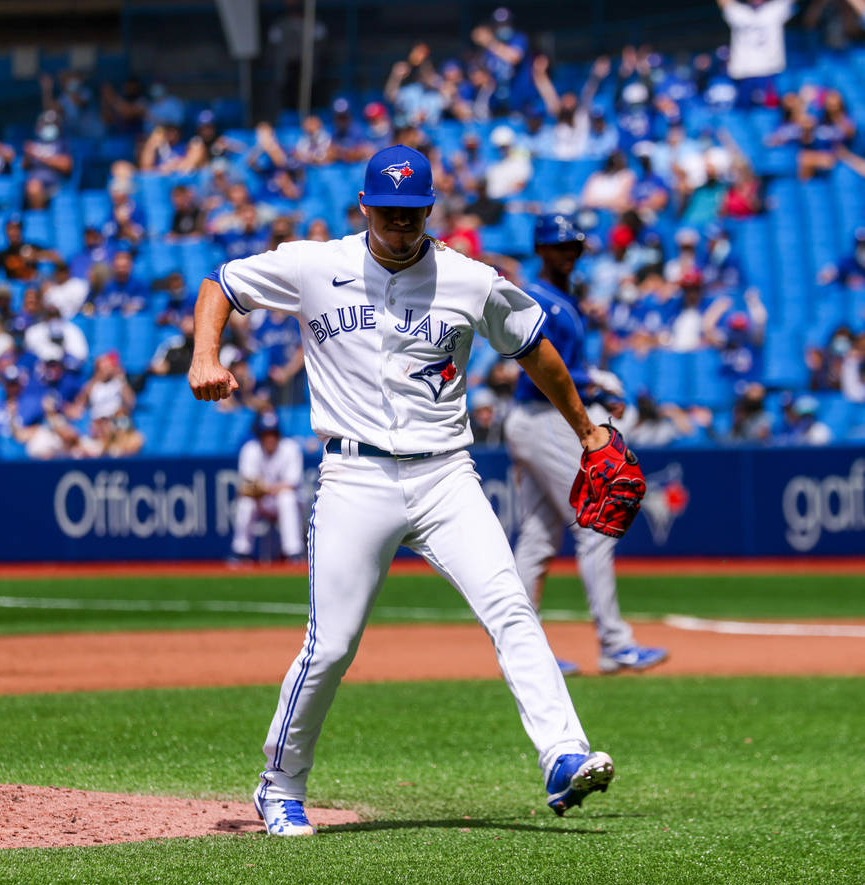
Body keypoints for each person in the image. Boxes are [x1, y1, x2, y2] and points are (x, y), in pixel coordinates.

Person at [189, 145, 621, 837]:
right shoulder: (315, 264)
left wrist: (589, 433)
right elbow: (222, 283)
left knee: (511, 606)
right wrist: (206, 354)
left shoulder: (466, 279)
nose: (399, 226)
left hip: (446, 472)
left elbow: (533, 345)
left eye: (411, 214)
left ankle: (563, 754)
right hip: (354, 474)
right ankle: (280, 783)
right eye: (387, 213)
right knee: (331, 645)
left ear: (428, 210)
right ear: (364, 208)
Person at [504, 215, 667, 676]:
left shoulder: (563, 299)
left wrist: (592, 385)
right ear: (541, 250)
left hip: (539, 420)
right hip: (541, 418)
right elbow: (536, 367)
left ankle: (523, 654)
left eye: (574, 245)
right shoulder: (537, 298)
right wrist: (592, 383)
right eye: (560, 246)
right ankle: (615, 643)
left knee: (538, 537)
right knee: (595, 525)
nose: (569, 253)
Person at [229, 412, 305, 563]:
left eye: (273, 434)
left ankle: (293, 551)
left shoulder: (290, 448)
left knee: (287, 499)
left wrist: (262, 488)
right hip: (261, 501)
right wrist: (263, 489)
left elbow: (291, 484)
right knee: (245, 503)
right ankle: (241, 551)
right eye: (266, 434)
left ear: (278, 435)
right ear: (260, 435)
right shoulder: (250, 449)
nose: (270, 438)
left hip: (283, 499)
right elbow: (247, 485)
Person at [716, 0, 793, 107]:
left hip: (770, 71)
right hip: (743, 73)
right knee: (742, 113)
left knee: (770, 111)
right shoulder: (739, 12)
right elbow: (724, 3)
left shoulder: (775, 9)